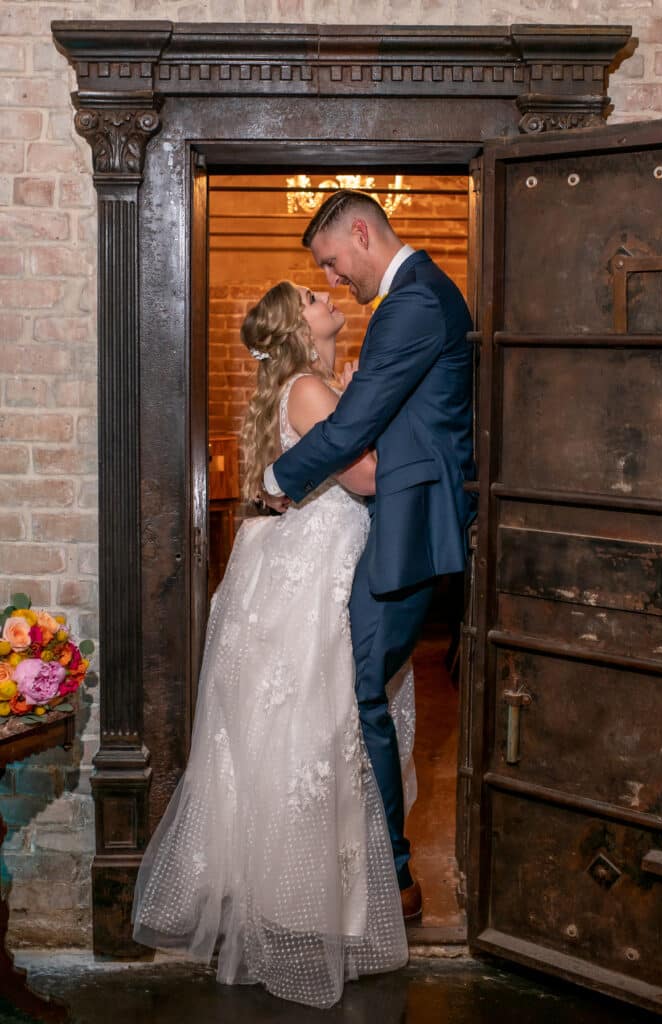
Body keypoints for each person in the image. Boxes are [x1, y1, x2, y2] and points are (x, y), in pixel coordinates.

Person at [132, 281, 416, 1009]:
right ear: (299, 324)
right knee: (316, 736)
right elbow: (370, 479)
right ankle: (305, 911)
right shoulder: (310, 392)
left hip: (310, 571)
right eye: (314, 296)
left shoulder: (309, 386)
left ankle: (298, 903)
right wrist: (382, 416)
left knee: (308, 737)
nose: (327, 296)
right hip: (313, 579)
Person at [265, 190, 476, 920]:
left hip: (410, 523)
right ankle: (371, 864)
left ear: (360, 232)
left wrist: (279, 480)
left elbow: (357, 426)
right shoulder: (415, 298)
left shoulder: (412, 301)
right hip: (398, 520)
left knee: (357, 692)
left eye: (330, 262)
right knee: (357, 692)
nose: (332, 280)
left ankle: (391, 876)